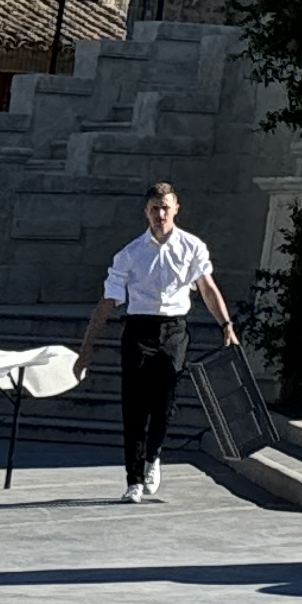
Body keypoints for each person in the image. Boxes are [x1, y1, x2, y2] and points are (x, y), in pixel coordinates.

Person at [77, 181, 236, 504]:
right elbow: (108, 302)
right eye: (154, 208)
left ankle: (153, 457)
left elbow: (206, 287)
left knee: (163, 403)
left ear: (175, 208)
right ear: (146, 212)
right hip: (139, 328)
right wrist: (86, 348)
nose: (160, 214)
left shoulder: (192, 247)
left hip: (174, 329)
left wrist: (227, 326)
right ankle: (133, 478)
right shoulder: (130, 254)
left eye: (166, 207)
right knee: (134, 407)